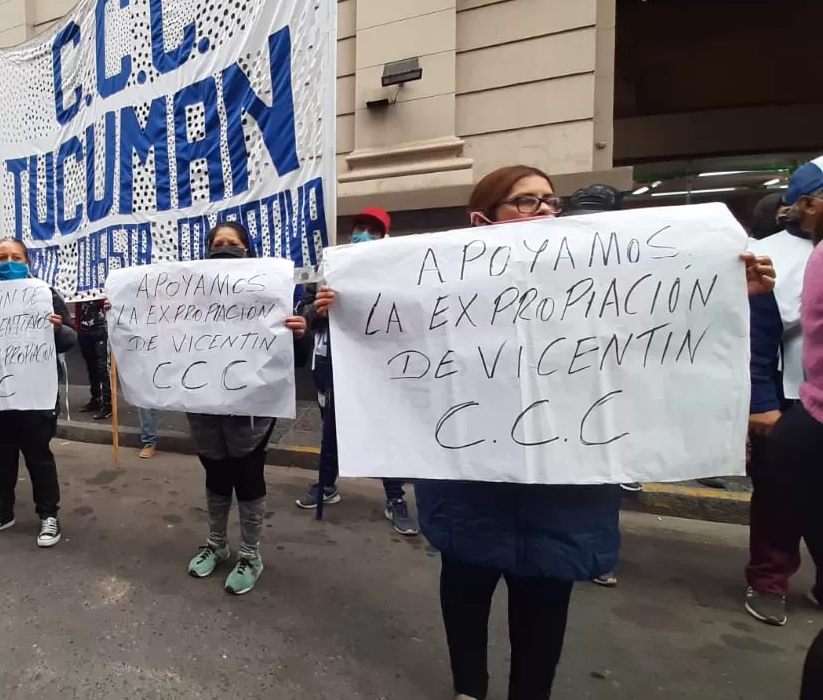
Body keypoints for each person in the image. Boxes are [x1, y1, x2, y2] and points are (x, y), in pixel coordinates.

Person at [313, 165, 775, 700]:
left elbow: (656, 333)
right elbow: (395, 342)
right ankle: (470, 689)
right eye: (526, 202)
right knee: (465, 587)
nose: (545, 211)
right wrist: (344, 308)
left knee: (545, 603)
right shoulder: (437, 281)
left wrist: (726, 291)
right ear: (482, 220)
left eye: (550, 201)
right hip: (472, 479)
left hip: (564, 485)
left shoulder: (600, 279)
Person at [168, 221, 305, 595]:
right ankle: (217, 544)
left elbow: (295, 358)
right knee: (215, 475)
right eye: (217, 243)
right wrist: (129, 313)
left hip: (252, 409)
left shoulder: (269, 293)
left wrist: (298, 334)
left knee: (246, 476)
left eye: (232, 243)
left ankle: (250, 554)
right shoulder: (190, 294)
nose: (224, 248)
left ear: (248, 249)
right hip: (204, 406)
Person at [295, 207, 417, 536]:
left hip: (376, 369)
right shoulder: (328, 271)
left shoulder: (395, 274)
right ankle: (326, 486)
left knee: (382, 430)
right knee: (331, 429)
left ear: (383, 239)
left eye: (372, 231)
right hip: (330, 365)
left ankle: (395, 498)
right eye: (359, 228)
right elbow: (304, 315)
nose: (363, 234)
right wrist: (319, 310)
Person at [745, 158, 823, 626]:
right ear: (808, 205)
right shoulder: (764, 253)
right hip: (788, 396)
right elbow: (757, 335)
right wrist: (762, 401)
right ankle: (769, 579)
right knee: (777, 497)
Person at [0, 238, 77, 547]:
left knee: (38, 455)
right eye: (3, 257)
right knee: (1, 456)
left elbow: (69, 338)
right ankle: (1, 512)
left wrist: (57, 329)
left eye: (16, 257)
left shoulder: (44, 294)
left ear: (27, 262)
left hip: (34, 393)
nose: (9, 262)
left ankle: (49, 515)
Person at [561, 182, 635, 589]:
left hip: (602, 387)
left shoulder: (631, 264)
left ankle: (592, 552)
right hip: (560, 388)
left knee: (597, 472)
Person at [76, 299, 112, 419]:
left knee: (103, 368)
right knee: (91, 367)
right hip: (84, 331)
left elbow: (108, 302)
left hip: (100, 330)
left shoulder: (101, 287)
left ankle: (108, 403)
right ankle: (96, 398)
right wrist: (77, 327)